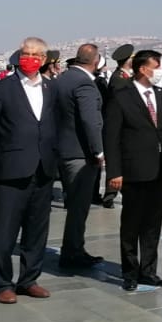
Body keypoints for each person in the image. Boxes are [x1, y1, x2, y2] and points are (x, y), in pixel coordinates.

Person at [0, 37, 62, 303]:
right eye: (26, 53)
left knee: (37, 230)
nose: (31, 58)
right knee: (5, 231)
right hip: (11, 169)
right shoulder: (3, 88)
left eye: (36, 54)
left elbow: (57, 125)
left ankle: (29, 279)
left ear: (45, 59)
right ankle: (2, 283)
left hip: (43, 168)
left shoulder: (52, 88)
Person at [102, 50, 162, 291]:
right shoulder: (121, 96)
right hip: (133, 169)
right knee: (132, 222)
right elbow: (111, 137)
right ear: (143, 69)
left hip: (159, 169)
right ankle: (130, 271)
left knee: (153, 222)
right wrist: (114, 171)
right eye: (155, 66)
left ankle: (149, 270)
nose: (159, 71)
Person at [52, 42, 105, 268]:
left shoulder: (62, 79)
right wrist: (98, 150)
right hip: (80, 153)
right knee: (78, 206)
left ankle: (73, 248)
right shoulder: (84, 83)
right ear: (95, 61)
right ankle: (72, 252)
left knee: (74, 204)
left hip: (61, 149)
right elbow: (89, 120)